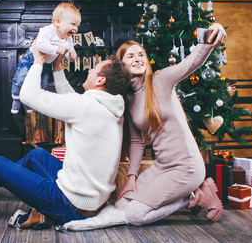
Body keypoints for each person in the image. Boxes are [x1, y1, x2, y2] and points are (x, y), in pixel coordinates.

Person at [0, 41, 132, 229]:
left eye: (94, 70)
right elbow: (70, 98)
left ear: (101, 80)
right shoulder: (110, 107)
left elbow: (28, 95)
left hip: (69, 205)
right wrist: (57, 66)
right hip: (91, 201)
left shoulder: (85, 105)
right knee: (36, 156)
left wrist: (38, 61)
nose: (89, 71)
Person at [64, 23, 227, 231]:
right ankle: (188, 193)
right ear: (121, 66)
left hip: (187, 167)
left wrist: (210, 36)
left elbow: (190, 63)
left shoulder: (160, 80)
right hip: (163, 166)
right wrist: (132, 178)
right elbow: (136, 142)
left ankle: (193, 195)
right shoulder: (129, 99)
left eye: (140, 54)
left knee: (135, 215)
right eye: (130, 56)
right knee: (122, 203)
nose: (137, 59)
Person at [11, 2, 80, 114]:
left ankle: (28, 102)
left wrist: (71, 56)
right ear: (58, 22)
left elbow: (67, 51)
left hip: (47, 65)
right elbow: (40, 45)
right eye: (73, 24)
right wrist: (56, 49)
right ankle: (16, 98)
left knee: (41, 87)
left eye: (77, 26)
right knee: (20, 80)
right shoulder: (48, 30)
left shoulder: (68, 39)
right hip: (31, 59)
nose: (75, 28)